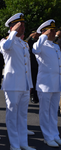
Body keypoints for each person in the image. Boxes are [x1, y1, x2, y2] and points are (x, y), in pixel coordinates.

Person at [0, 13, 35, 150]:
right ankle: (14, 145)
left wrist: (29, 84)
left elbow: (27, 67)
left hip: (24, 85)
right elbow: (6, 47)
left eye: (23, 25)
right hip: (13, 85)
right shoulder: (6, 41)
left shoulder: (23, 44)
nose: (23, 27)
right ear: (12, 26)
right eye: (20, 25)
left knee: (22, 116)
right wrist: (13, 32)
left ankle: (23, 144)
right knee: (12, 117)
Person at [32, 19, 61, 148]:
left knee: (54, 112)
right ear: (44, 32)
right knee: (45, 111)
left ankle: (55, 134)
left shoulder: (56, 46)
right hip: (45, 84)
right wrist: (43, 36)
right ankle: (47, 136)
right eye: (51, 30)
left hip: (56, 83)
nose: (54, 33)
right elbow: (35, 50)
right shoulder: (39, 45)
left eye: (54, 30)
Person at [25, 30, 40, 104]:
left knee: (37, 81)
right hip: (31, 64)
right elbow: (25, 43)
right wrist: (30, 37)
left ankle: (36, 96)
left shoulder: (39, 42)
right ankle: (33, 96)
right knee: (33, 81)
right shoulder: (29, 41)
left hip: (38, 64)